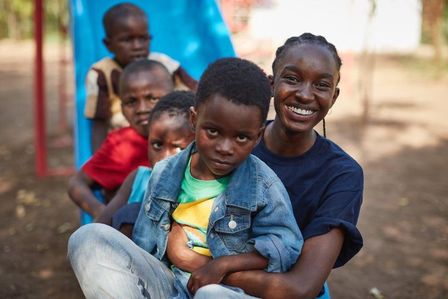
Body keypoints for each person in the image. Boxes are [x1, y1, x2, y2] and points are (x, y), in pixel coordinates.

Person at [67, 57, 303, 299]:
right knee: (86, 238)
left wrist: (222, 265)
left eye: (241, 138)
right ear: (194, 120)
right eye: (213, 131)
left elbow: (284, 248)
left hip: (229, 290)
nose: (224, 147)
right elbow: (145, 243)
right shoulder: (164, 173)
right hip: (170, 283)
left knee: (211, 295)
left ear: (258, 136)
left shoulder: (263, 186)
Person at [193, 33, 364, 299]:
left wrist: (202, 266)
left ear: (334, 96)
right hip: (194, 280)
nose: (305, 95)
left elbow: (301, 287)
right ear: (272, 85)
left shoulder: (341, 174)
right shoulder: (230, 145)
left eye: (321, 85)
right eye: (292, 79)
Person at [68, 59, 174, 220]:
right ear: (121, 107)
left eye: (152, 98)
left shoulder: (188, 136)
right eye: (131, 102)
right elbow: (77, 183)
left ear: (172, 96)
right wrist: (104, 213)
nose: (142, 109)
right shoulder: (121, 145)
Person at [85, 2, 198, 151]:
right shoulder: (101, 74)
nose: (137, 46)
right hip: (125, 144)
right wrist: (98, 161)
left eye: (143, 38)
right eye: (127, 40)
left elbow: (196, 93)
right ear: (108, 44)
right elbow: (98, 122)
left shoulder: (163, 64)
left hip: (167, 137)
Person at [95, 91, 196, 237]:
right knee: (128, 214)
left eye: (180, 148)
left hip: (176, 258)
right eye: (157, 145)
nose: (164, 158)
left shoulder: (200, 188)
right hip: (131, 257)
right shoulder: (138, 179)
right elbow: (100, 225)